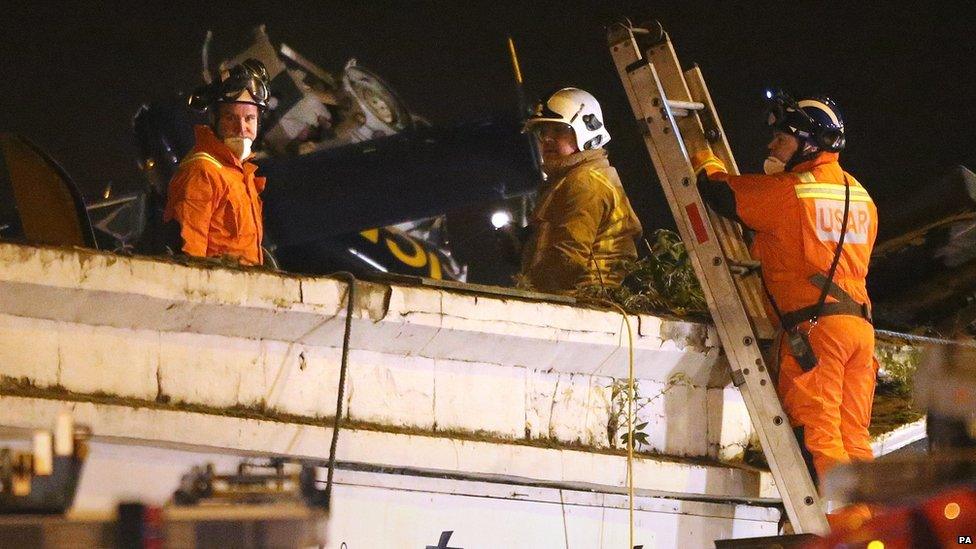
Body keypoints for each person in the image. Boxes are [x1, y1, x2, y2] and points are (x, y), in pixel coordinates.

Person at [692, 91, 878, 532]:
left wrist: (704, 158)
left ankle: (851, 533)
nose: (772, 146)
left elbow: (720, 194)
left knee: (822, 435)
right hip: (860, 330)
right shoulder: (861, 195)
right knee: (855, 437)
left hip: (817, 333)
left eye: (783, 138)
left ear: (809, 145)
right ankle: (881, 527)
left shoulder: (791, 193)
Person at [519, 87, 642, 294]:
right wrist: (524, 250)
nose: (547, 139)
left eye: (558, 130)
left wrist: (526, 294)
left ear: (586, 130)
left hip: (583, 303)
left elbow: (568, 258)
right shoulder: (571, 179)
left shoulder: (584, 181)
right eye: (543, 132)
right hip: (580, 303)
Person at [163, 59, 271, 266]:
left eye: (249, 119)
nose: (241, 128)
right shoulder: (203, 171)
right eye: (231, 118)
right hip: (217, 294)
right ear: (214, 121)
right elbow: (190, 255)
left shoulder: (241, 175)